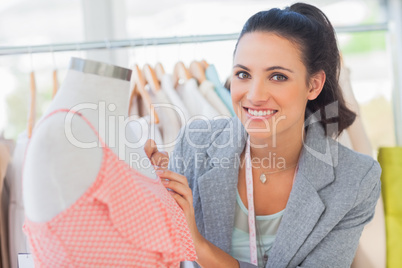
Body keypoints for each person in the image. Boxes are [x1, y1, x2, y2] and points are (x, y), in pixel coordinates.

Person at [145, 3, 381, 268]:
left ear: (313, 85)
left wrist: (198, 246)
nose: (255, 95)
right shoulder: (196, 145)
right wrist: (148, 192)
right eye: (243, 74)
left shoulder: (355, 180)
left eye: (278, 77)